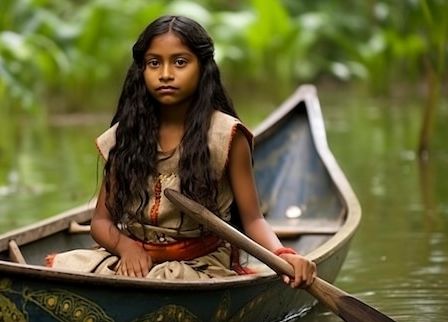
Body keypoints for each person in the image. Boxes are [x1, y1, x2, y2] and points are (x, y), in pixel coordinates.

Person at [47, 15, 316, 288]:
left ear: (202, 68)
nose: (165, 74)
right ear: (141, 70)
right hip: (133, 261)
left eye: (180, 62)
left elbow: (253, 219)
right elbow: (101, 222)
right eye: (154, 63)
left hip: (200, 265)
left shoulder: (226, 137)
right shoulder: (125, 137)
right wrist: (126, 248)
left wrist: (284, 255)